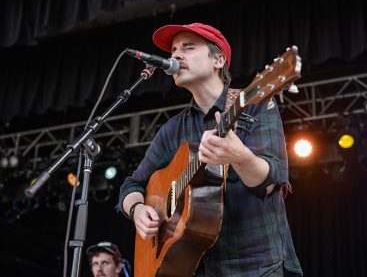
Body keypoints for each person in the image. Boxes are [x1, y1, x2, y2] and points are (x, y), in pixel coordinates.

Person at [118, 22, 303, 276]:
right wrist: (138, 209)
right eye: (173, 50)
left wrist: (238, 156)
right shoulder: (172, 130)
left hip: (259, 266)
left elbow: (271, 180)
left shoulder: (255, 105)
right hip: (199, 268)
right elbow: (132, 185)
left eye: (188, 47)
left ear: (218, 60)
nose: (175, 56)